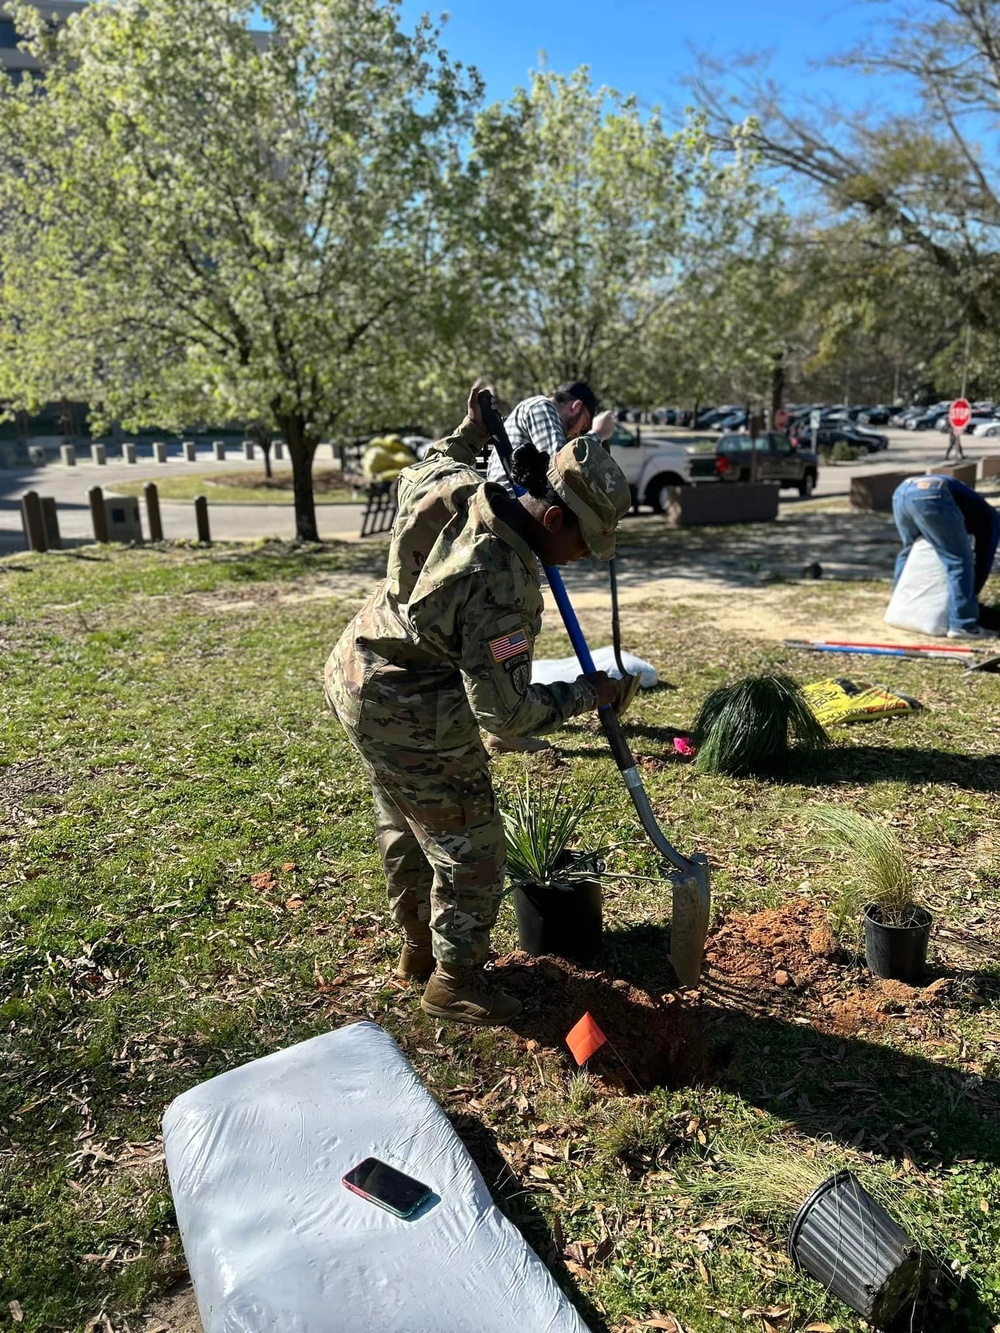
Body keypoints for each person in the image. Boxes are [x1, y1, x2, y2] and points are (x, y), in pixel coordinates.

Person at [325, 386, 632, 1027]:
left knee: (408, 823)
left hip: (359, 672)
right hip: (413, 707)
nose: (581, 558)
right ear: (552, 519)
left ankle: (417, 952)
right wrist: (589, 692)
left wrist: (469, 430)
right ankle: (456, 982)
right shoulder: (501, 587)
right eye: (585, 542)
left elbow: (428, 459)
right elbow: (506, 715)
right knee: (474, 849)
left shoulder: (456, 482)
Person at [483, 380, 617, 753]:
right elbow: (560, 477)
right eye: (580, 424)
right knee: (511, 624)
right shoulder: (540, 407)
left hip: (525, 531)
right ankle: (507, 720)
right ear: (576, 408)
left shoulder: (536, 412)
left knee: (521, 624)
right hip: (514, 530)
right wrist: (594, 436)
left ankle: (508, 719)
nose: (576, 431)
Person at [892, 474, 1000, 639]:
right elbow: (982, 561)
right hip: (934, 495)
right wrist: (972, 595)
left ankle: (899, 609)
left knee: (908, 552)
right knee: (959, 561)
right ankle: (963, 624)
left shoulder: (976, 507)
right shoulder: (992, 520)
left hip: (902, 492)